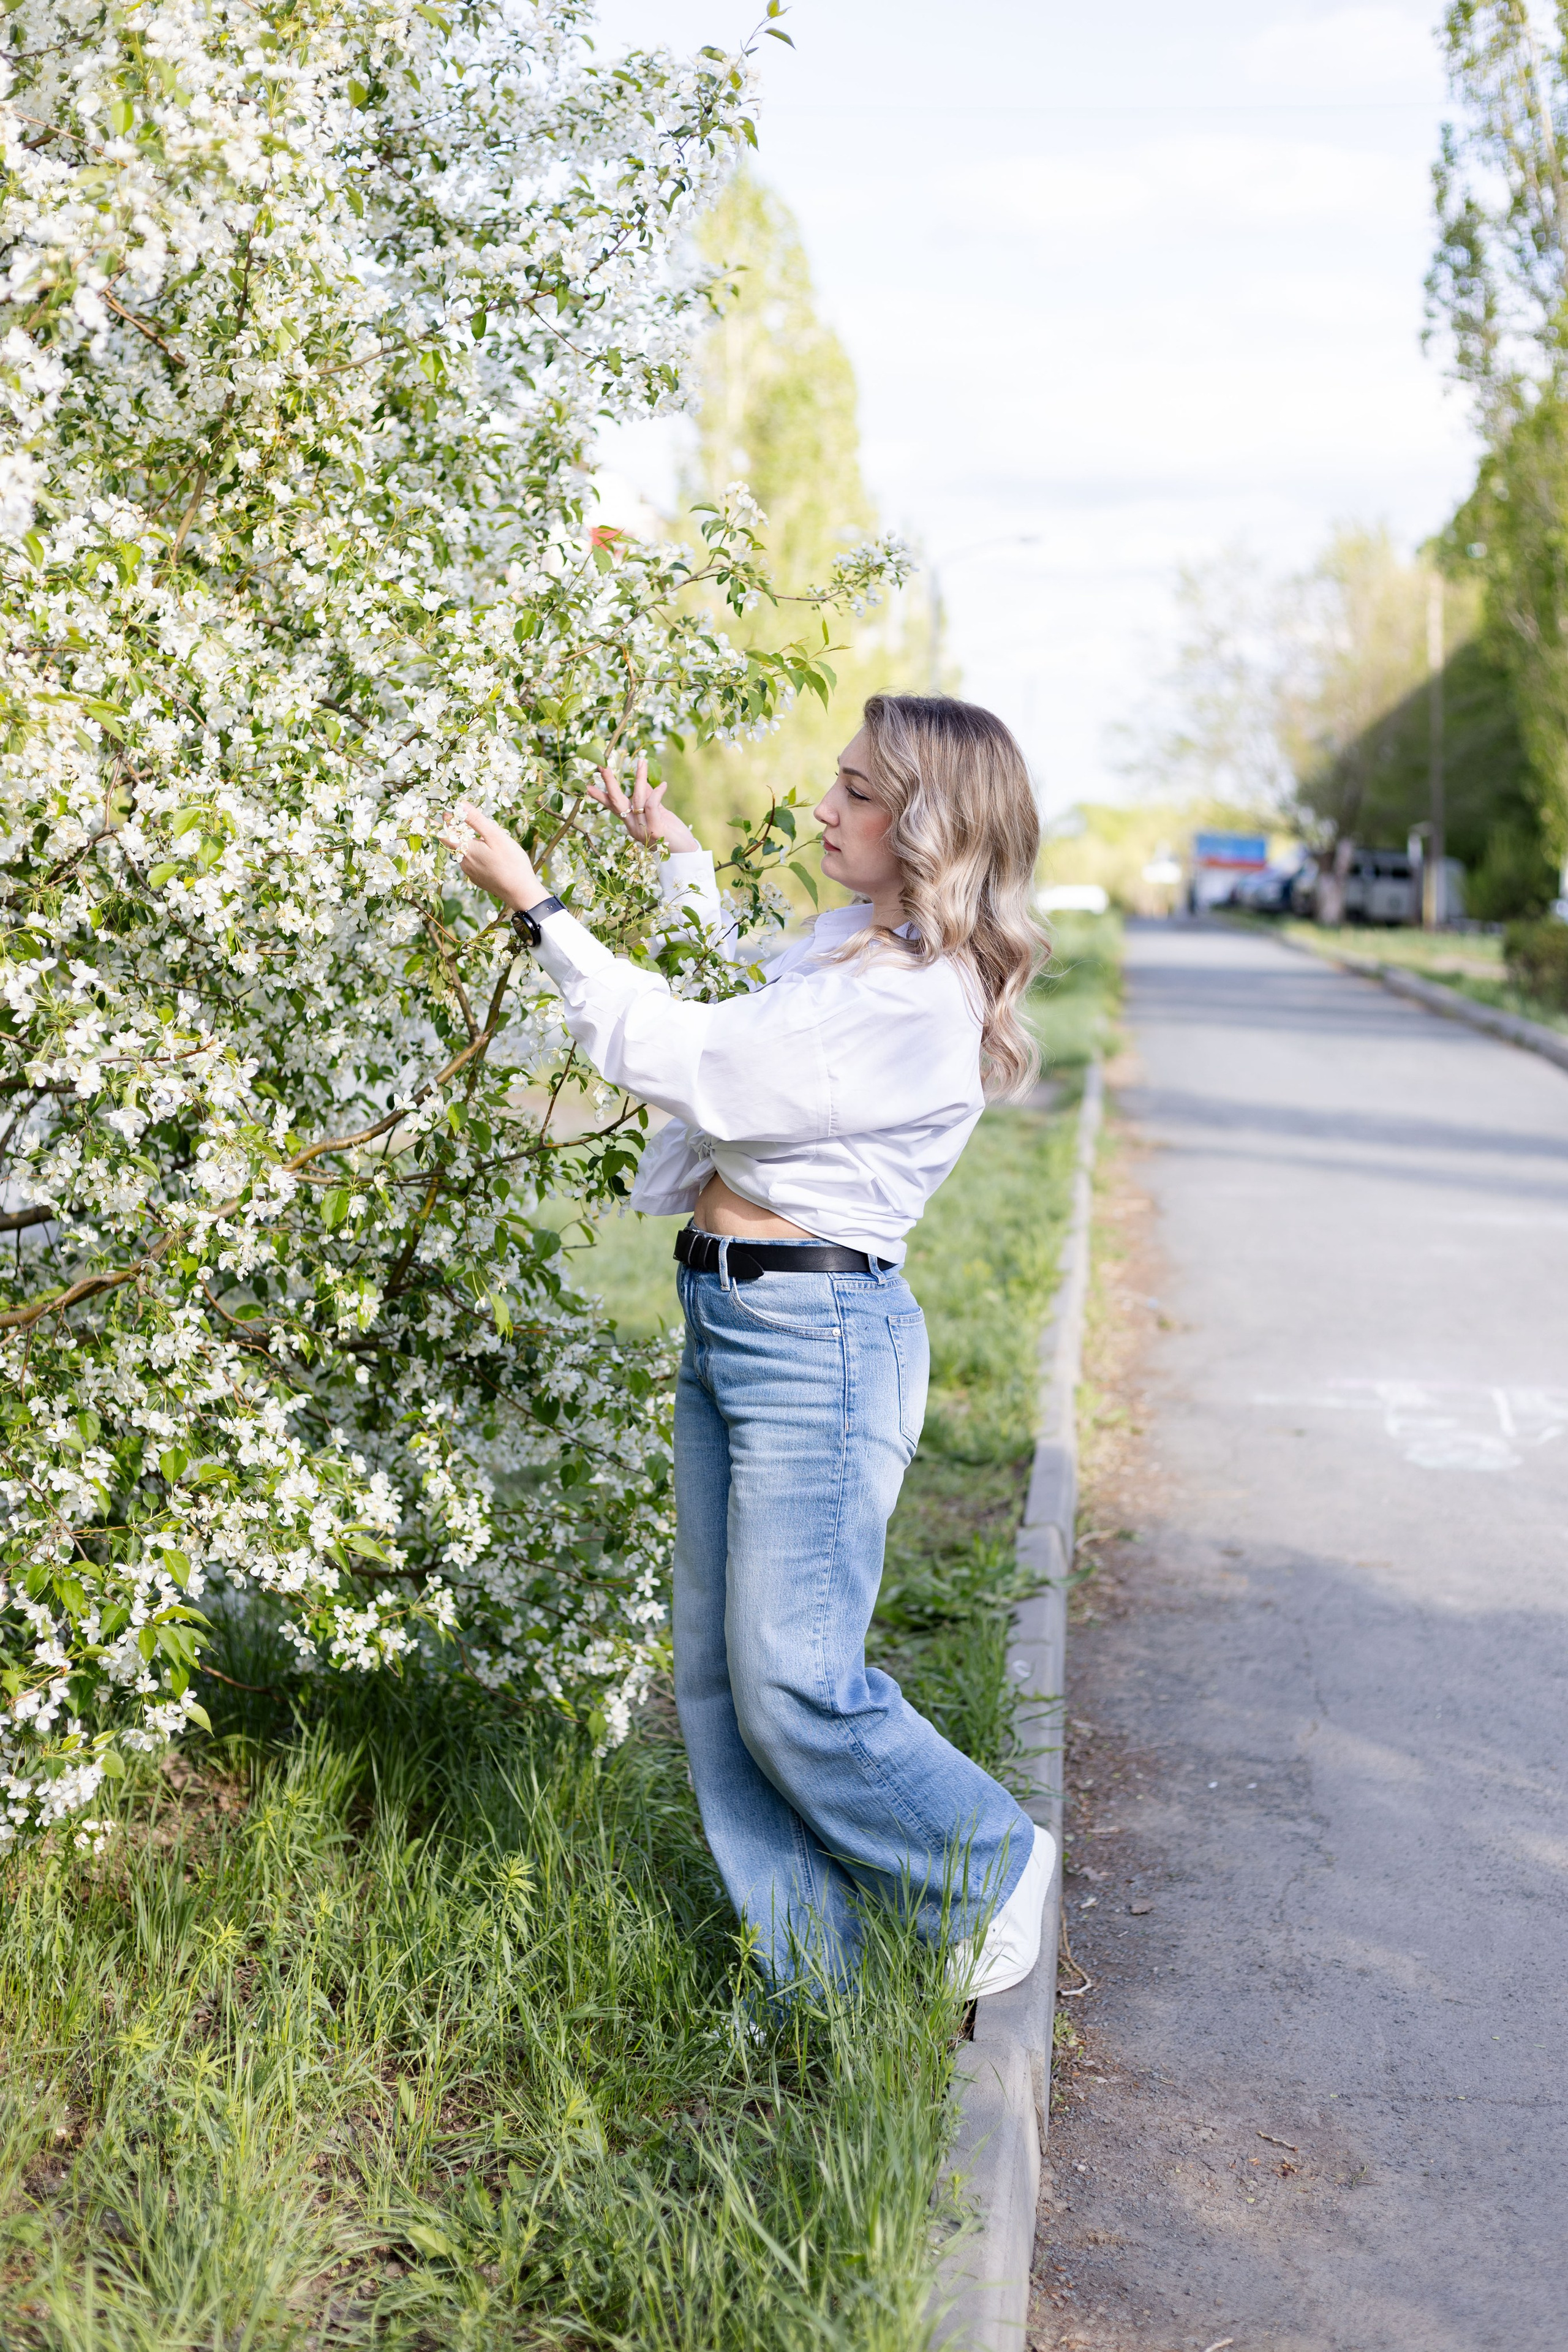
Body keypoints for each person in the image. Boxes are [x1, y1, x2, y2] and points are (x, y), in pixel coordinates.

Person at [443, 692, 1055, 1996]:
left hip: (813, 1342)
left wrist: (537, 908)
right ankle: (819, 1978)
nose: (825, 809)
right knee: (723, 1683)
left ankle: (987, 1866)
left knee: (793, 1682)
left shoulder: (912, 1000)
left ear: (931, 826)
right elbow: (747, 1006)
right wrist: (679, 864)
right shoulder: (858, 954)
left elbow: (696, 1055)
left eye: (856, 793)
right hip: (734, 1314)